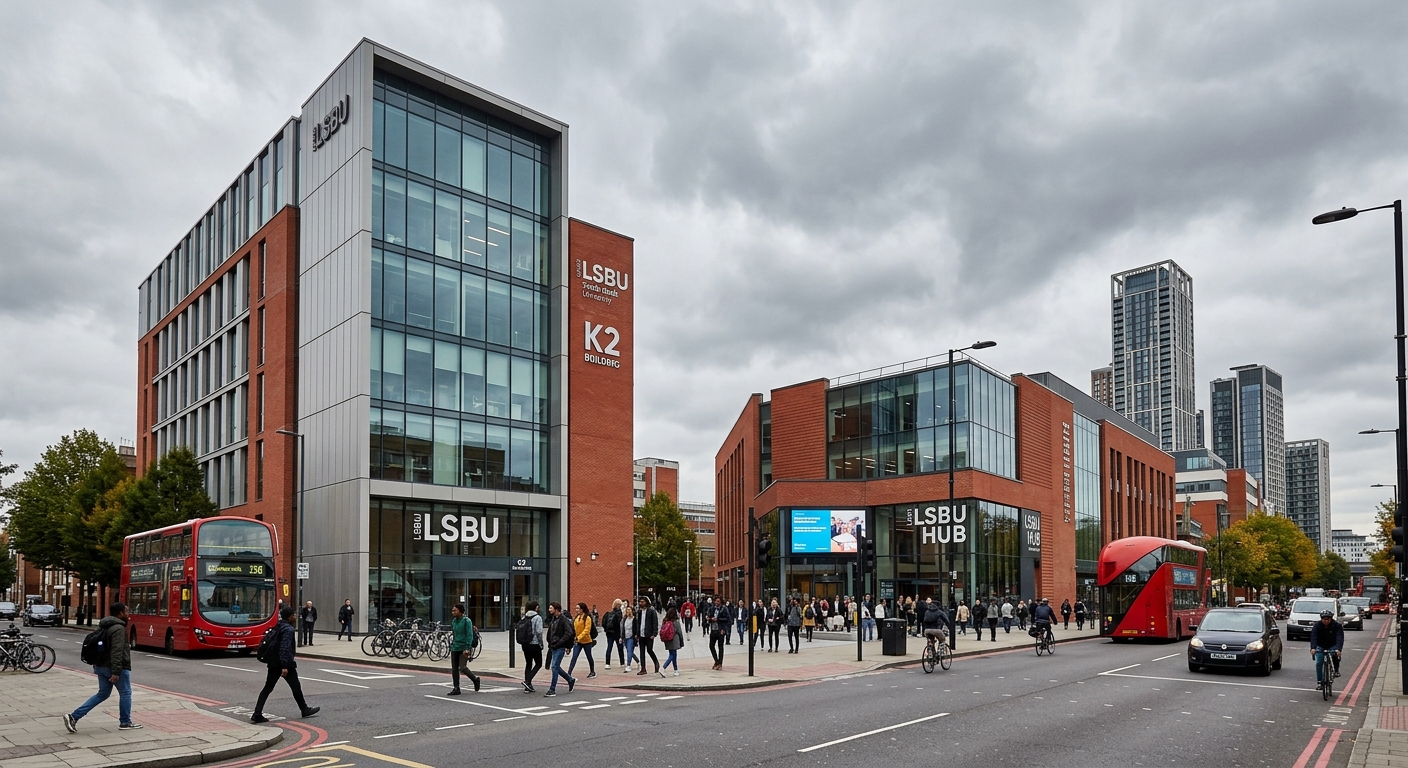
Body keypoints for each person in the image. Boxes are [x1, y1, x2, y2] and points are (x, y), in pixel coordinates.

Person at [65, 602, 142, 733]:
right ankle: (125, 722)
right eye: (127, 611)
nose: (128, 615)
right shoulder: (118, 628)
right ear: (120, 613)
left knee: (103, 694)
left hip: (101, 665)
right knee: (125, 693)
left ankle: (74, 717)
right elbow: (117, 651)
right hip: (114, 667)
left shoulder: (104, 625)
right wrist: (116, 671)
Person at [251, 606, 319, 722]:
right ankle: (304, 709)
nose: (295, 617)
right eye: (293, 615)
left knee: (268, 688)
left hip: (273, 662)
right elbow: (284, 648)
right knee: (296, 686)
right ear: (290, 616)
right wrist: (284, 666)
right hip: (284, 663)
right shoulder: (288, 629)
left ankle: (257, 713)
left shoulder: (278, 626)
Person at [544, 602, 576, 697]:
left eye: (551, 608)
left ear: (556, 609)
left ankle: (552, 689)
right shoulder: (553, 619)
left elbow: (569, 633)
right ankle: (570, 679)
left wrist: (563, 643)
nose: (549, 610)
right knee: (556, 666)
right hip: (553, 646)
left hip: (559, 647)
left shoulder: (564, 620)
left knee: (554, 666)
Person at [448, 604, 481, 695]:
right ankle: (456, 688)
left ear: (460, 611)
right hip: (455, 646)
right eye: (452, 610)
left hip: (463, 647)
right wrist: (452, 644)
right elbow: (454, 634)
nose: (453, 612)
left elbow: (469, 635)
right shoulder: (454, 621)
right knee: (454, 669)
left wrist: (467, 648)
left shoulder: (467, 621)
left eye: (455, 610)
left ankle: (475, 679)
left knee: (462, 667)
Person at [1310, 609, 1344, 685]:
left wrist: (1338, 649)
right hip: (1320, 645)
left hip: (1332, 645)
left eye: (1327, 619)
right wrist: (1313, 648)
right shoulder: (1317, 626)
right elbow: (1314, 637)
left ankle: (1336, 670)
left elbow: (1339, 638)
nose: (1326, 621)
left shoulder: (1337, 626)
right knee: (1319, 663)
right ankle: (1319, 682)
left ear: (1331, 619)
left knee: (1335, 655)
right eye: (1324, 619)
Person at [519, 601, 544, 693]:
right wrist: (541, 643)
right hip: (534, 644)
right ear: (536, 607)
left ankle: (527, 686)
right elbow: (539, 632)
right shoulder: (537, 618)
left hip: (525, 644)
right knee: (539, 663)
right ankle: (527, 681)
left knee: (528, 664)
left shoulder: (524, 617)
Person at [568, 602, 597, 679]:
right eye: (576, 608)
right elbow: (574, 629)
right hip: (578, 641)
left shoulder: (587, 618)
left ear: (582, 609)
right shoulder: (577, 618)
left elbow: (587, 630)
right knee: (574, 657)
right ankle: (569, 673)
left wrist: (579, 637)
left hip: (587, 641)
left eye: (578, 608)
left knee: (589, 656)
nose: (576, 610)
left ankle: (592, 671)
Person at [636, 597, 662, 676]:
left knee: (649, 650)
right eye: (640, 602)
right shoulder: (639, 612)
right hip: (641, 634)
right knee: (641, 652)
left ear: (646, 602)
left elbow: (655, 622)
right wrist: (637, 634)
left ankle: (656, 663)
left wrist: (654, 634)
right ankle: (643, 668)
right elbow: (638, 623)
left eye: (643, 602)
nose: (641, 603)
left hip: (649, 634)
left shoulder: (651, 611)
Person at [708, 596, 730, 669]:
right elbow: (708, 616)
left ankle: (720, 663)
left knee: (720, 646)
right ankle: (716, 661)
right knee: (711, 646)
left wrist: (718, 619)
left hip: (720, 630)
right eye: (716, 601)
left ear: (720, 601)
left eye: (718, 601)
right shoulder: (711, 609)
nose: (717, 602)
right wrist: (710, 618)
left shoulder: (724, 609)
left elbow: (728, 619)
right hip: (713, 629)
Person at [661, 606, 684, 676]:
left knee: (673, 654)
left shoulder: (665, 621)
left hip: (667, 640)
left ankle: (676, 669)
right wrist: (681, 642)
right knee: (672, 655)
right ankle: (663, 667)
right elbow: (679, 632)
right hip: (674, 639)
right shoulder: (676, 621)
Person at [602, 599, 624, 669]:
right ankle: (622, 662)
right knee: (620, 648)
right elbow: (620, 624)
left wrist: (606, 630)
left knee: (609, 648)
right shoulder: (620, 614)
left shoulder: (608, 613)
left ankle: (607, 663)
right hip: (617, 633)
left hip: (609, 633)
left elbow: (603, 623)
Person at [621, 604, 637, 673]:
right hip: (626, 637)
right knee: (629, 651)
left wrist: (636, 635)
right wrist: (621, 637)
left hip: (631, 637)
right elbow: (623, 629)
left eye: (629, 610)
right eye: (627, 610)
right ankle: (637, 661)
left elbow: (636, 628)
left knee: (629, 651)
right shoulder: (625, 619)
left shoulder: (634, 619)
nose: (628, 612)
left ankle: (628, 665)